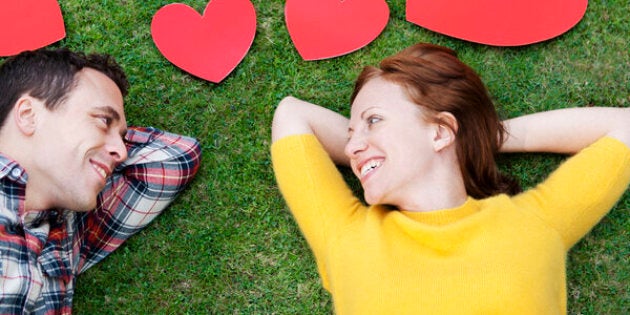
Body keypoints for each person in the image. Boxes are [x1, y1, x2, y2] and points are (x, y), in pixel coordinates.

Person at [270, 43, 630, 314]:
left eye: (373, 120)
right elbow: (292, 115)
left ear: (442, 132)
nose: (351, 148)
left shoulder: (534, 223)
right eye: (349, 134)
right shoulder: (345, 234)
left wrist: (480, 138)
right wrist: (378, 149)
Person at [0, 48, 201, 314]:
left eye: (122, 137)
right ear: (28, 115)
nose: (123, 152)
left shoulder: (67, 235)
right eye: (103, 120)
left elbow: (176, 159)